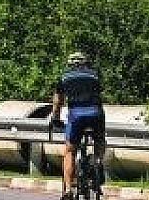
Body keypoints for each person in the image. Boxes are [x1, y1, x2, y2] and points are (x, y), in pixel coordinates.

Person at [49, 52, 105, 200]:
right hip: (95, 114)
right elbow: (99, 96)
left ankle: (67, 191)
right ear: (85, 63)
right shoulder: (94, 75)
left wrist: (55, 118)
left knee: (69, 151)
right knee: (99, 140)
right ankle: (98, 162)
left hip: (76, 116)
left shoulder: (64, 77)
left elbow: (57, 102)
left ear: (70, 64)